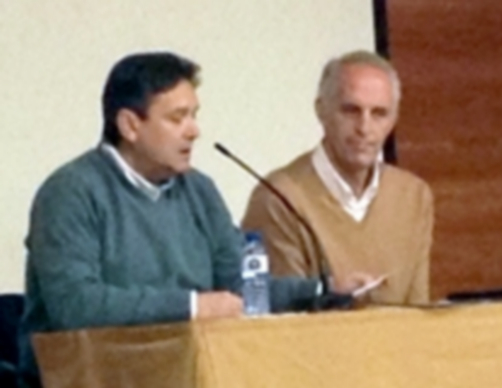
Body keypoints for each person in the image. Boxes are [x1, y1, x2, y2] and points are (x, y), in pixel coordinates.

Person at [17, 52, 363, 388]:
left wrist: (320, 290)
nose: (194, 130)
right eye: (177, 118)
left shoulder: (198, 190)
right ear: (130, 125)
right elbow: (76, 305)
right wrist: (193, 306)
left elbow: (239, 289)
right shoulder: (70, 192)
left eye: (194, 115)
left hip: (188, 371)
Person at [241, 50, 434, 305]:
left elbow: (418, 310)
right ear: (321, 111)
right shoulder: (278, 197)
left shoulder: (413, 195)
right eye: (351, 111)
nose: (364, 128)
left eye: (379, 114)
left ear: (394, 120)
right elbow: (283, 319)